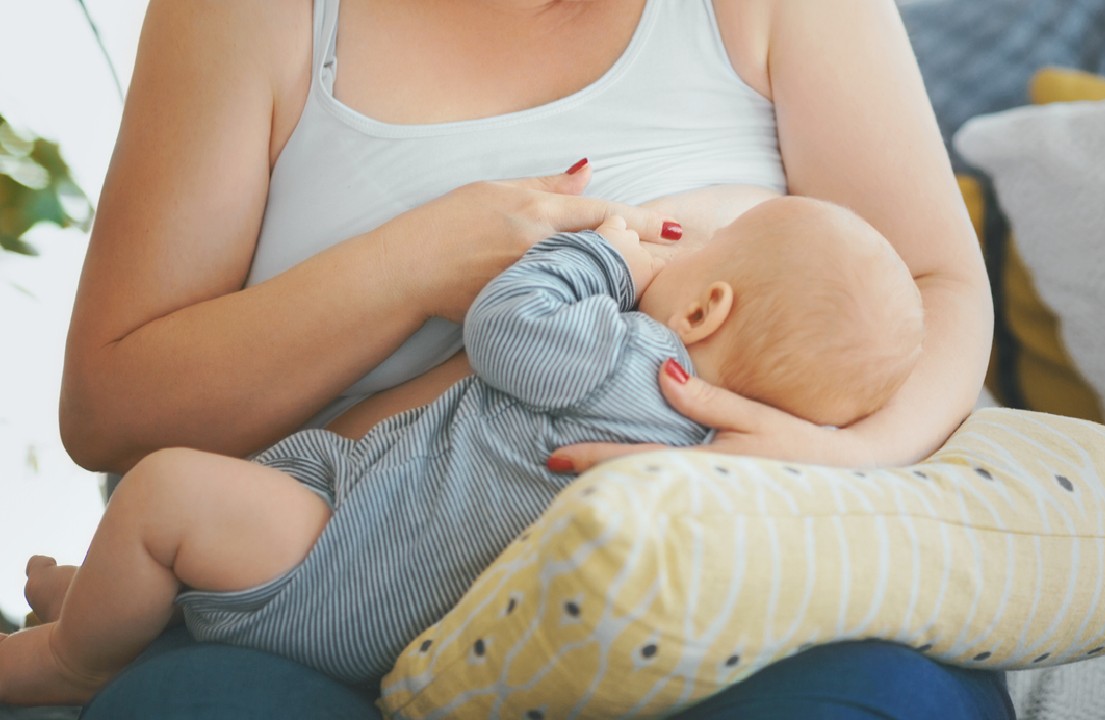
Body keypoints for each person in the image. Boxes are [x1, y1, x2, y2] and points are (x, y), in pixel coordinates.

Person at [41, 0, 1009, 717]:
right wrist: (413, 268)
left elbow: (941, 292)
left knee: (871, 698)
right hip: (331, 600)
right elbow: (108, 405)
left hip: (710, 610)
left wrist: (832, 460)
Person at [2, 196, 924, 706]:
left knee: (165, 496)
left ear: (705, 309)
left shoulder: (632, 357)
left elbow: (503, 328)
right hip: (393, 602)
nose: (679, 240)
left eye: (710, 242)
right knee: (213, 513)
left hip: (337, 564)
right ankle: (102, 596)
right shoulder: (708, 447)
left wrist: (603, 256)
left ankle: (77, 657)